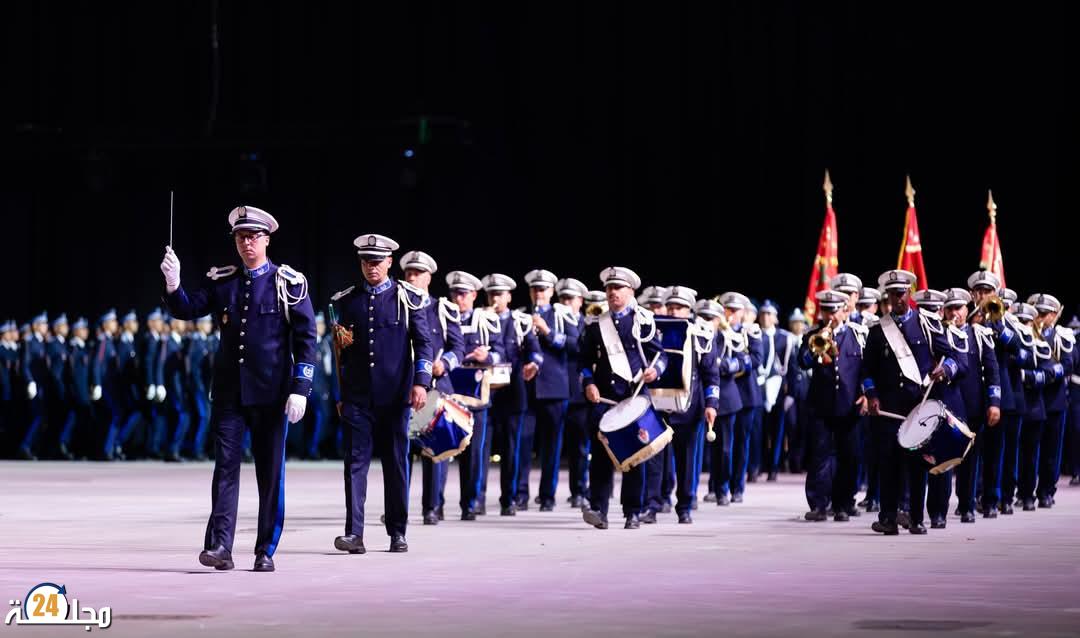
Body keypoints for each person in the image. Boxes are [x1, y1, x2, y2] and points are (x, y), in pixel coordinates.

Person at [162, 205, 317, 572]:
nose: (247, 243)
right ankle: (220, 546)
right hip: (231, 392)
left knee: (270, 473)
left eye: (253, 237)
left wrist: (301, 388)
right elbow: (188, 308)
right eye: (240, 237)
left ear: (266, 240)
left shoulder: (288, 282)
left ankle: (266, 549)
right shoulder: (224, 281)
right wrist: (173, 283)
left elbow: (306, 338)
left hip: (273, 393)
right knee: (225, 469)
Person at [862, 270, 966, 535]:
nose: (898, 298)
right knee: (888, 464)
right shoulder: (877, 331)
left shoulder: (927, 324)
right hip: (888, 408)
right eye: (893, 293)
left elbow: (952, 357)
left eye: (902, 293)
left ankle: (917, 518)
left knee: (919, 464)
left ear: (909, 293)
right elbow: (867, 370)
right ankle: (887, 517)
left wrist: (946, 371)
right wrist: (872, 395)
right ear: (887, 295)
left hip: (918, 405)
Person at [580, 267, 667, 530]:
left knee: (634, 458)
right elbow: (585, 362)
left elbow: (660, 355)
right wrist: (588, 383)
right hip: (604, 399)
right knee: (601, 458)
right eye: (609, 289)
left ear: (631, 292)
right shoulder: (596, 325)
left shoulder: (643, 321)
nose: (612, 293)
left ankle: (632, 512)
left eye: (618, 289)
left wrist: (655, 371)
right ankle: (599, 510)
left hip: (633, 397)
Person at [398, 250, 465, 525]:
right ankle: (398, 507)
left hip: (435, 387)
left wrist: (444, 364)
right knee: (402, 452)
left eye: (418, 273)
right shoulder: (397, 304)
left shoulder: (442, 308)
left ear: (428, 277)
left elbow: (458, 347)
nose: (412, 278)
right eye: (409, 273)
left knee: (433, 451)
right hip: (402, 387)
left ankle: (431, 507)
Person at [798, 290, 866, 522]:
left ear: (844, 310)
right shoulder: (813, 334)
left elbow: (867, 369)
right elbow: (803, 362)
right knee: (820, 456)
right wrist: (818, 342)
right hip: (821, 405)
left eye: (834, 310)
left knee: (849, 457)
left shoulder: (858, 335)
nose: (830, 315)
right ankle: (818, 504)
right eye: (826, 310)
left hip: (850, 405)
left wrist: (867, 394)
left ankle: (843, 504)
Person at [482, 273, 540, 515]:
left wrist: (533, 364)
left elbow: (535, 352)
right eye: (492, 293)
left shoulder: (520, 320)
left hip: (513, 393)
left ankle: (509, 498)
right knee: (480, 449)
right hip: (484, 393)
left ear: (508, 296)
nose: (495, 298)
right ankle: (475, 499)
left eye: (500, 294)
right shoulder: (480, 319)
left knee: (511, 449)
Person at [523, 269, 579, 511]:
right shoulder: (521, 315)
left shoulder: (562, 314)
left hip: (555, 388)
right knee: (521, 446)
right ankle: (518, 495)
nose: (539, 293)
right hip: (526, 388)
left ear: (552, 291)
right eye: (535, 289)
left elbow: (575, 344)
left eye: (543, 289)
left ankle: (547, 496)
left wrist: (547, 331)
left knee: (551, 447)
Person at [557, 278, 591, 508]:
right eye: (563, 299)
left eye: (571, 298)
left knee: (580, 445)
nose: (566, 302)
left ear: (580, 301)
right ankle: (548, 494)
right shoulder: (555, 319)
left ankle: (580, 489)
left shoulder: (588, 323)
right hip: (557, 389)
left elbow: (581, 346)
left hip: (579, 391)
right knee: (557, 445)